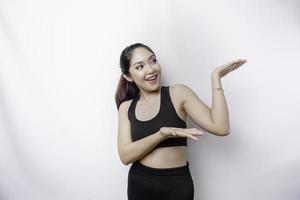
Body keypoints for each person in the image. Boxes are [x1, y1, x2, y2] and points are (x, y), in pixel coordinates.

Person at [115, 42, 247, 200]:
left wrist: (216, 78)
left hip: (177, 186)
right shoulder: (126, 108)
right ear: (128, 76)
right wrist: (161, 135)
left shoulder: (178, 94)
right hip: (141, 183)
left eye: (153, 61)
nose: (150, 70)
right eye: (140, 67)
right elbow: (125, 156)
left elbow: (221, 127)